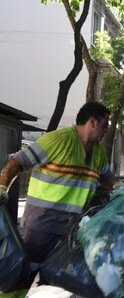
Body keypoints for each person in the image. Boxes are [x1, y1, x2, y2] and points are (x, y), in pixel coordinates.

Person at [0, 101, 114, 297]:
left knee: (66, 279)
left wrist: (119, 187)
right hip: (43, 224)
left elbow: (106, 178)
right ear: (92, 122)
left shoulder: (98, 153)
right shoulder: (58, 140)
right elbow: (17, 162)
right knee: (24, 274)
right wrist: (2, 187)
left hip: (73, 230)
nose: (106, 130)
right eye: (105, 125)